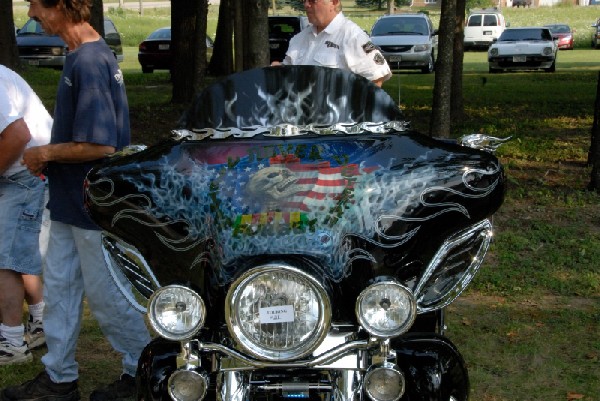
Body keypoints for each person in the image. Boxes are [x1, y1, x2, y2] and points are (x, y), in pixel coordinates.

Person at [1, 0, 151, 400]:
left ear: (62, 6)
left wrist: (43, 153)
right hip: (70, 200)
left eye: (37, 5)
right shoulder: (81, 56)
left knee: (107, 297)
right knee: (61, 292)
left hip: (93, 204)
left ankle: (141, 373)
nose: (32, 14)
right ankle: (59, 378)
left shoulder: (88, 61)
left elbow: (100, 144)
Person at [0, 65, 51, 366]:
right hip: (20, 173)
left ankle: (11, 343)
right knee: (20, 250)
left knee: (4, 259)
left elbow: (18, 135)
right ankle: (41, 323)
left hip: (26, 172)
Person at [272, 0, 392, 87]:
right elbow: (289, 74)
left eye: (312, 1)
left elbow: (376, 78)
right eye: (304, 1)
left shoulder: (352, 36)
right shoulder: (299, 38)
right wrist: (280, 69)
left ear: (333, 2)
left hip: (336, 119)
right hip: (300, 117)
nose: (306, 5)